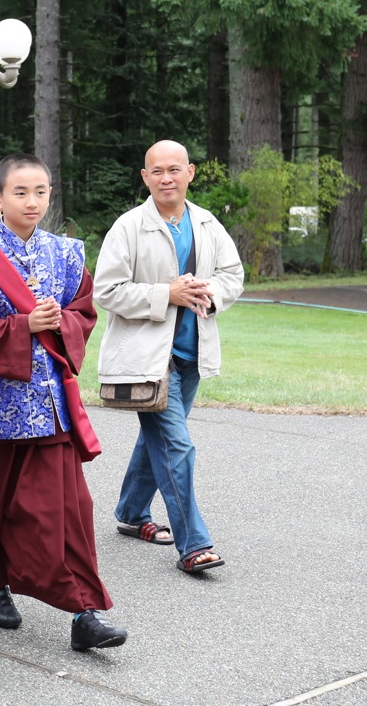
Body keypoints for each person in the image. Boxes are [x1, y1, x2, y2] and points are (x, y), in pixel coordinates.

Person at [0, 153, 127, 652]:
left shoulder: (67, 254)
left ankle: (85, 610)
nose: (32, 202)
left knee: (68, 511)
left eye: (41, 192)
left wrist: (60, 322)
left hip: (52, 406)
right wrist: (23, 326)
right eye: (20, 192)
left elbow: (84, 312)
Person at [94, 139, 244, 574]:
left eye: (174, 169)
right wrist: (167, 294)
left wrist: (206, 292)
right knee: (177, 447)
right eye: (157, 171)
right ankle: (193, 545)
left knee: (156, 441)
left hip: (193, 355)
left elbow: (233, 275)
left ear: (190, 173)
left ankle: (130, 512)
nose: (166, 178)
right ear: (145, 177)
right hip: (149, 361)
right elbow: (106, 290)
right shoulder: (128, 227)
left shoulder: (208, 223)